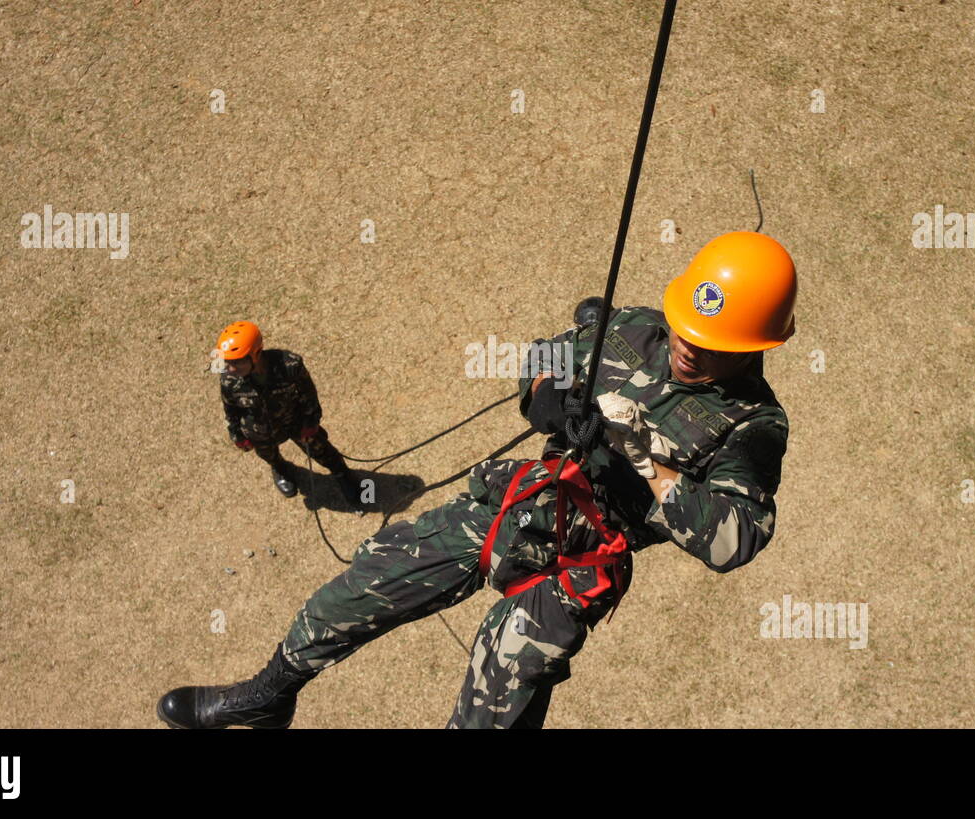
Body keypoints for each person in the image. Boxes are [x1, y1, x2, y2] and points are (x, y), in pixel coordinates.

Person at [161, 232, 796, 728]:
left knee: (503, 680)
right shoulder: (633, 329)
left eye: (710, 344)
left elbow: (731, 540)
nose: (687, 347)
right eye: (685, 328)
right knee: (363, 586)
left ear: (755, 345)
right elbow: (545, 355)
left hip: (580, 559)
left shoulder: (752, 426)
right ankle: (268, 696)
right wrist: (551, 397)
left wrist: (638, 451)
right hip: (521, 501)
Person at [215, 321, 363, 508]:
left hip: (296, 421)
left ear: (256, 354)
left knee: (321, 450)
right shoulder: (228, 379)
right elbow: (231, 409)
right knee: (267, 454)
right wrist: (237, 435)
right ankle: (280, 468)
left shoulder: (289, 365)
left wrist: (311, 422)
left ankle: (342, 474)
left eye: (237, 362)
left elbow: (308, 394)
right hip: (259, 430)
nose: (231, 368)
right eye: (227, 361)